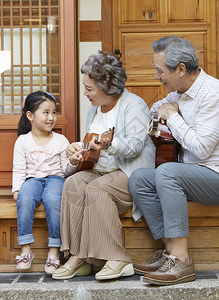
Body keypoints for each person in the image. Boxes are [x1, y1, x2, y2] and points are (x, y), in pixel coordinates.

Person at [128, 36, 219, 286]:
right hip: (193, 177)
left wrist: (172, 117)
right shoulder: (178, 93)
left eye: (159, 71)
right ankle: (170, 252)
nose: (156, 77)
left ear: (180, 69)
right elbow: (153, 112)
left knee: (168, 172)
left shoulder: (215, 94)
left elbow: (202, 150)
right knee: (139, 178)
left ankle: (182, 260)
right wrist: (159, 114)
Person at [52, 51, 155, 281]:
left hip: (131, 172)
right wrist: (78, 148)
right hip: (101, 170)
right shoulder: (94, 108)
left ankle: (118, 258)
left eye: (89, 88)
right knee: (73, 183)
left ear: (106, 85)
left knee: (97, 189)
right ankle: (79, 257)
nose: (85, 93)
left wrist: (108, 144)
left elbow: (136, 145)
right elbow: (92, 142)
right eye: (85, 87)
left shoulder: (134, 105)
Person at [12, 91, 77, 274]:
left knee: (53, 200)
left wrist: (73, 162)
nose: (51, 118)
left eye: (54, 113)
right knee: (24, 199)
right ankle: (25, 249)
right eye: (46, 112)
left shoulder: (61, 140)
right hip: (32, 180)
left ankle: (54, 251)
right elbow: (18, 169)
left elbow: (66, 171)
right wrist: (17, 189)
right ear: (30, 116)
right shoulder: (23, 141)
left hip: (56, 179)